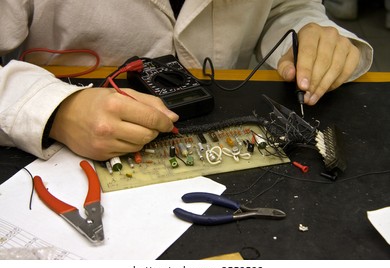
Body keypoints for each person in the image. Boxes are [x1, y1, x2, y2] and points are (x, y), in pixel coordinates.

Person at [0, 0, 373, 161]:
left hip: (219, 128)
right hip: (64, 152)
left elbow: (286, 7)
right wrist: (52, 109)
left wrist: (312, 34)